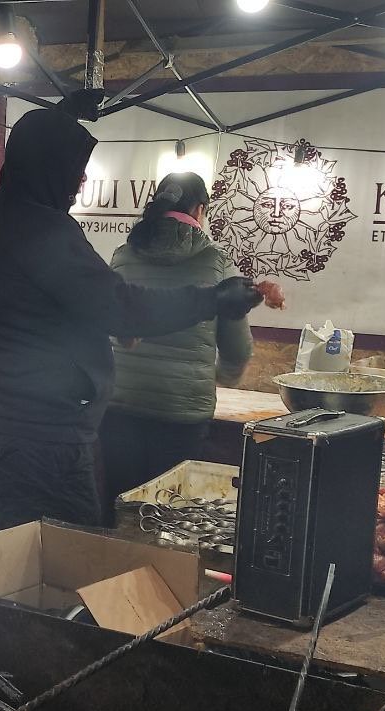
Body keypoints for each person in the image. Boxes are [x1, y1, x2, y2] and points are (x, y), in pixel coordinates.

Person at [0, 108, 262, 532]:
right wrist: (214, 299)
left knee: (36, 556)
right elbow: (121, 304)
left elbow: (56, 308)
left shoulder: (3, 216)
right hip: (39, 437)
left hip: (18, 429)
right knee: (63, 564)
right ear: (50, 167)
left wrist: (103, 324)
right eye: (75, 169)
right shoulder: (39, 228)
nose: (81, 180)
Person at [99, 173, 256, 523]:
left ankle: (114, 575)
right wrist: (221, 376)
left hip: (118, 407)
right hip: (181, 416)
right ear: (200, 210)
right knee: (169, 518)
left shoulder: (122, 255)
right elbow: (237, 347)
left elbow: (105, 320)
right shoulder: (217, 262)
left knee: (118, 511)